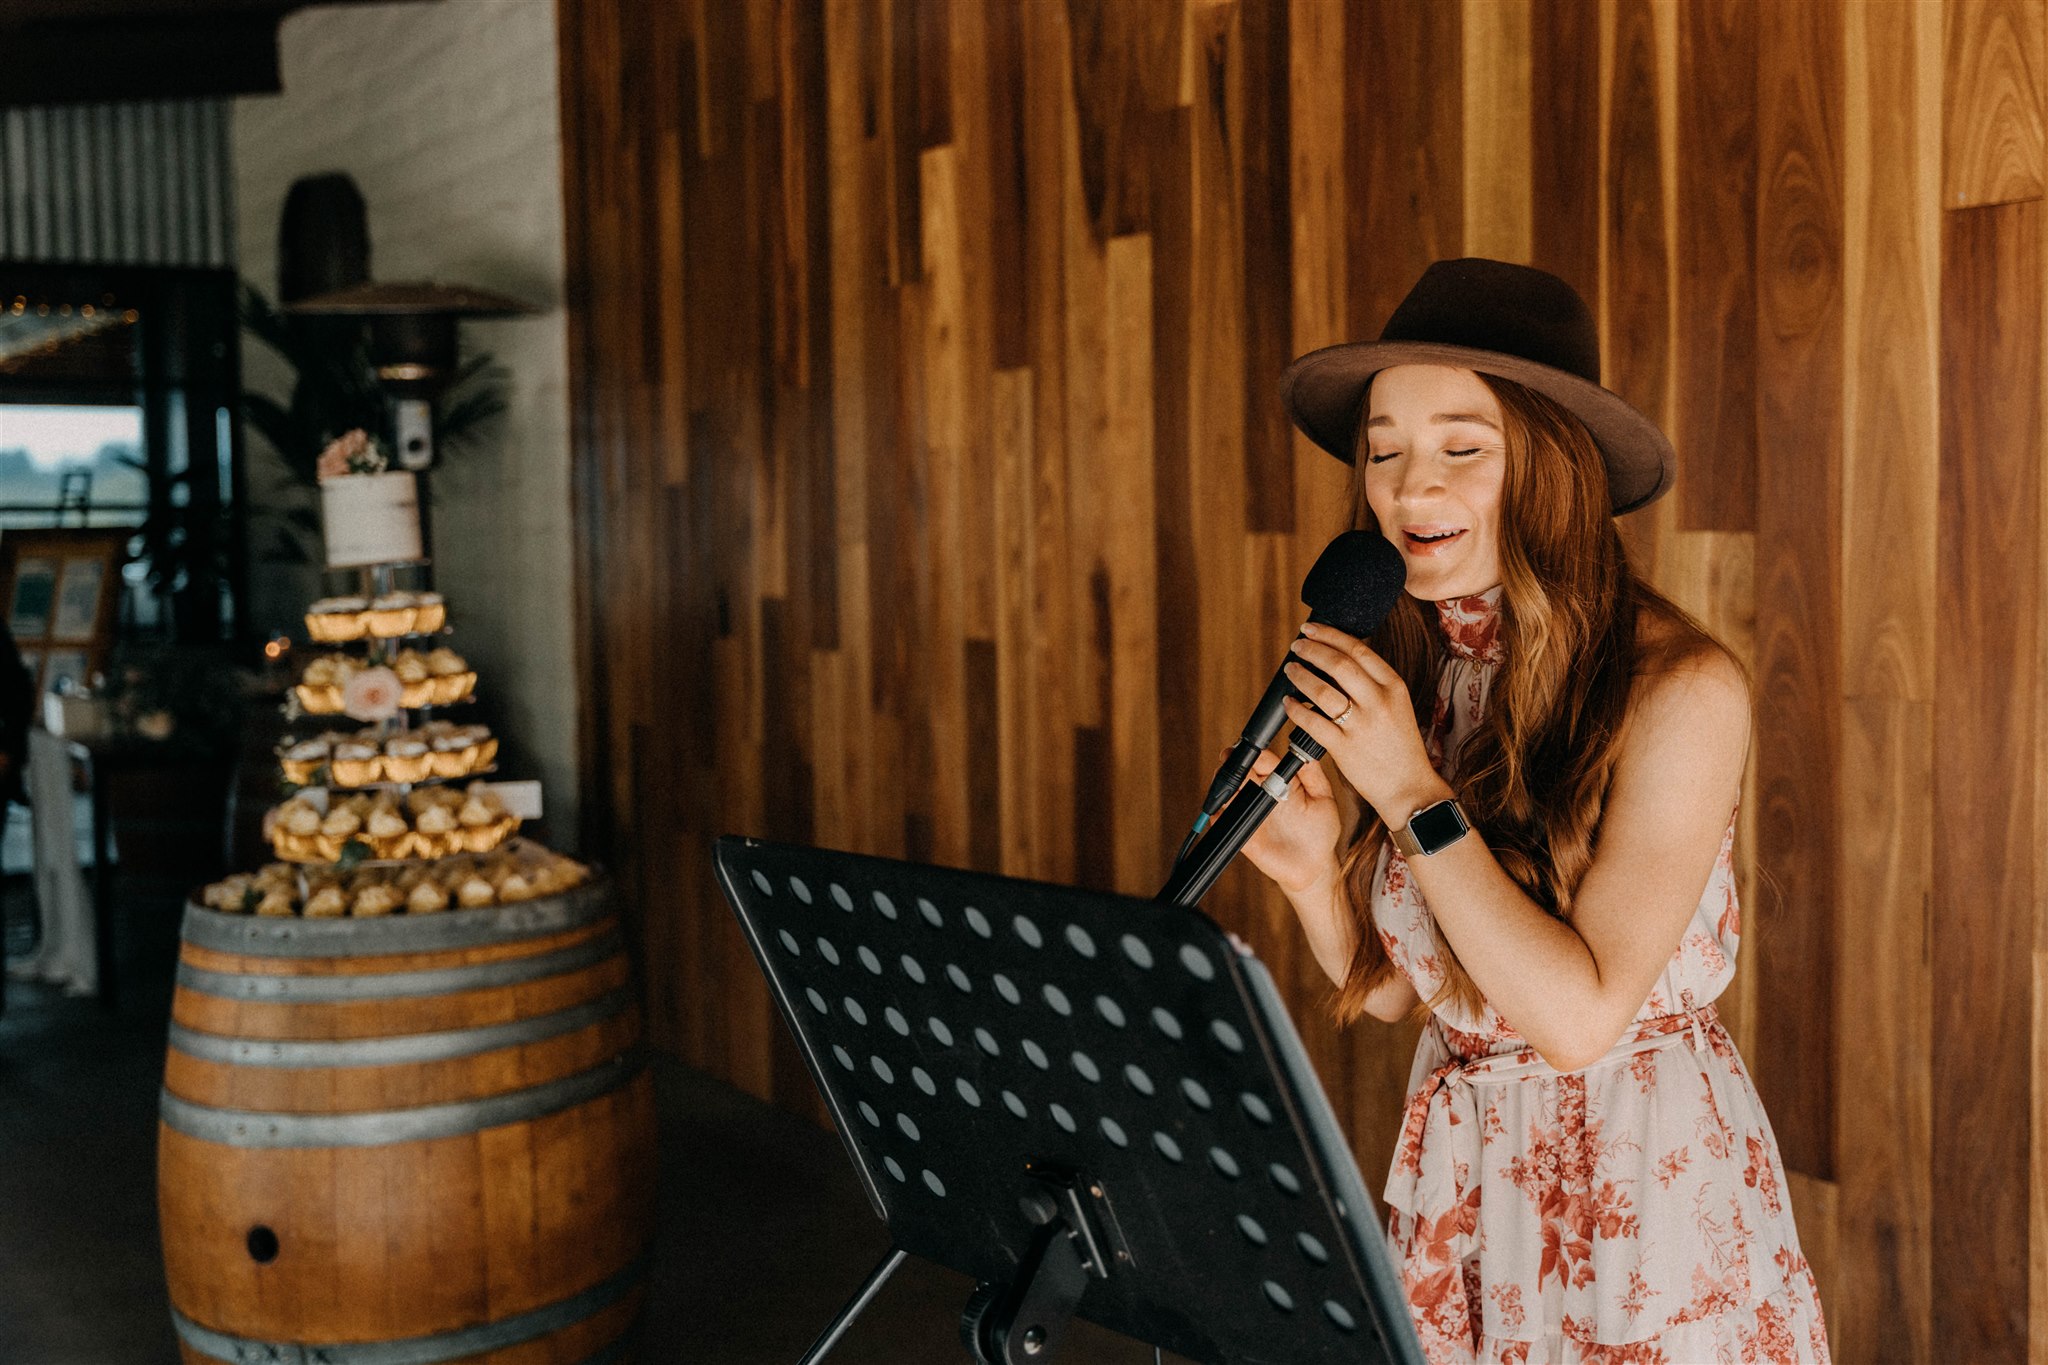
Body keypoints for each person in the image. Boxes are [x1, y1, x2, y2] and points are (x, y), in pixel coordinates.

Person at [1245, 259, 1831, 1364]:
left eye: (1460, 448)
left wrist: (1409, 793)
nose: (1407, 488)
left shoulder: (1683, 690)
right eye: (1382, 450)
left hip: (1639, 1201)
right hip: (1468, 1185)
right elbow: (1413, 1000)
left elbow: (1570, 1022)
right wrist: (1312, 875)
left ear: (1554, 468)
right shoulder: (1432, 672)